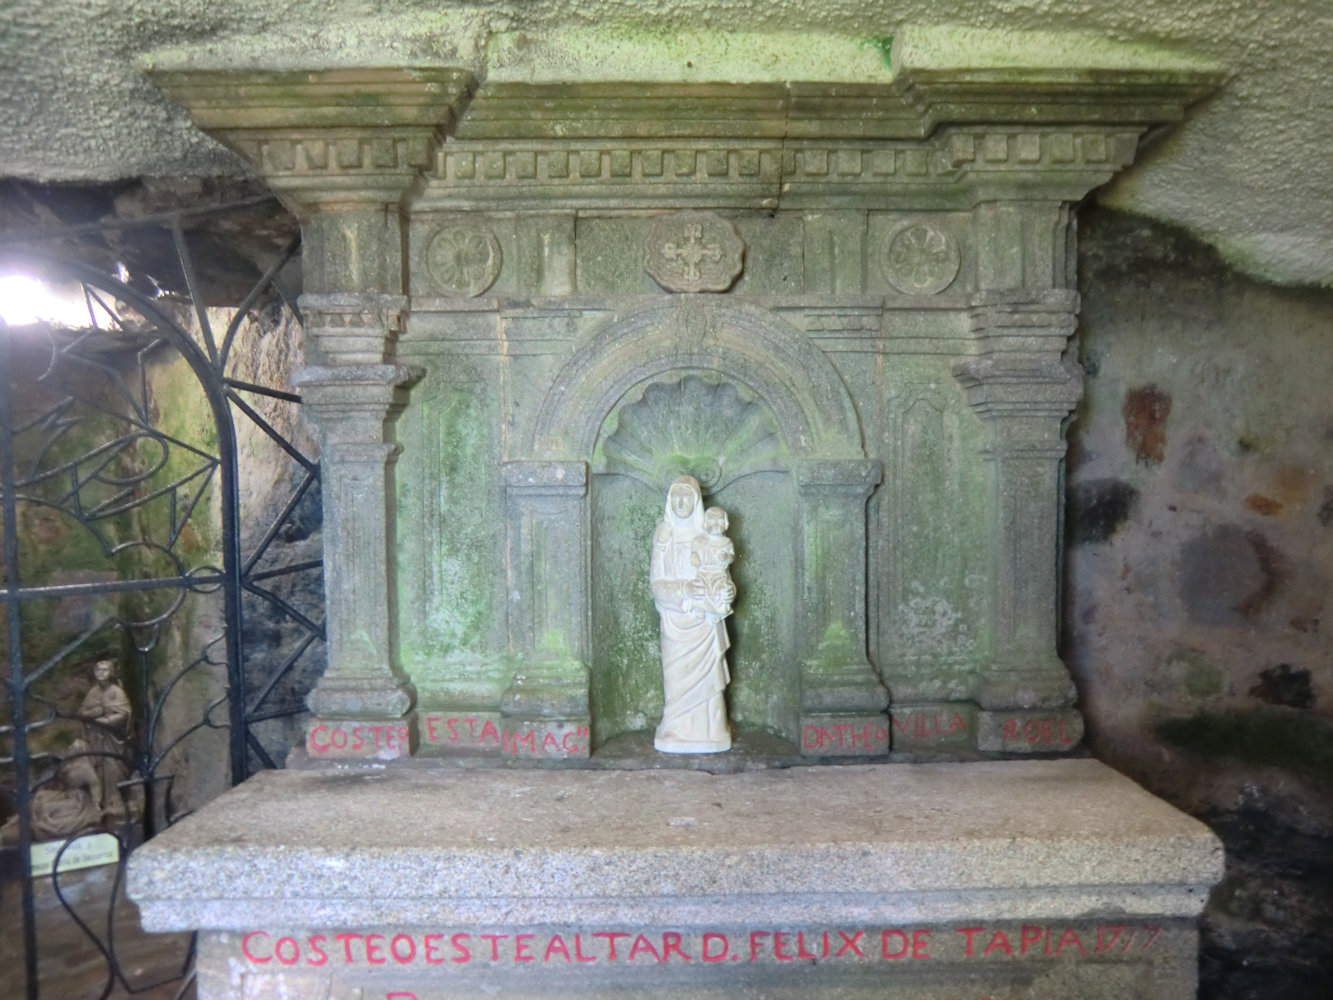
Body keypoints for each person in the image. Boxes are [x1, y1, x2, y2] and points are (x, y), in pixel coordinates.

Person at [650, 477, 735, 753]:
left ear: (697, 501)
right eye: (676, 497)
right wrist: (685, 589)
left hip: (704, 620)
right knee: (678, 680)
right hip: (677, 620)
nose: (681, 503)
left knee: (708, 680)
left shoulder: (709, 536)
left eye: (687, 497)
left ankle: (711, 730)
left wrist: (727, 593)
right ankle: (676, 729)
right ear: (669, 501)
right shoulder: (665, 535)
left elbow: (724, 577)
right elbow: (656, 585)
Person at [77, 658, 132, 817]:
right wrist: (93, 714)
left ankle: (115, 798)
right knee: (98, 765)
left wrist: (105, 721)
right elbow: (82, 713)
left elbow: (124, 714)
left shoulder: (116, 691)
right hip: (96, 737)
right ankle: (101, 800)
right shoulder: (93, 692)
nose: (101, 673)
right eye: (98, 670)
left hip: (112, 737)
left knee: (112, 764)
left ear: (111, 673)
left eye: (105, 670)